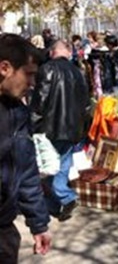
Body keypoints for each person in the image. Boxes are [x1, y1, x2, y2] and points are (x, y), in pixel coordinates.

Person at [0, 34, 51, 262]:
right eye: (28, 74)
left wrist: (39, 223)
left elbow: (26, 171)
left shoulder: (18, 113)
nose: (32, 83)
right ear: (5, 68)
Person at [30, 40, 91, 221]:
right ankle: (56, 204)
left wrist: (33, 124)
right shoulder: (78, 72)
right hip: (72, 128)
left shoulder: (47, 69)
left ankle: (66, 197)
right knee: (62, 167)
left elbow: (40, 99)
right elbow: (86, 104)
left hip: (52, 127)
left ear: (52, 52)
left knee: (49, 167)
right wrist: (83, 129)